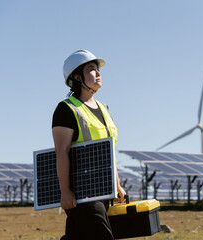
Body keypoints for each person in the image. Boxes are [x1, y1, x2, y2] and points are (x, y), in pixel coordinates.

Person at [52, 49, 126, 240]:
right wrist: (65, 192)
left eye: (98, 69)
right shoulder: (66, 109)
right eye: (92, 69)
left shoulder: (104, 108)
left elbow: (110, 153)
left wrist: (117, 185)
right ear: (77, 77)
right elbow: (61, 152)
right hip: (81, 193)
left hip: (104, 189)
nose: (98, 73)